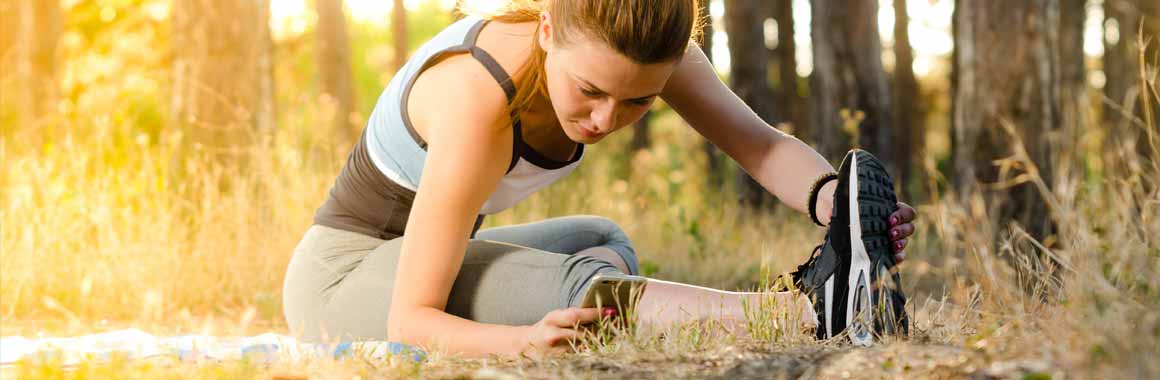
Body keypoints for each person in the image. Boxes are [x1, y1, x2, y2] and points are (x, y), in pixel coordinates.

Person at [282, 0, 917, 358]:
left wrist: (838, 205)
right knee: (583, 287)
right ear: (548, 27)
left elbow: (760, 146)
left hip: (416, 260)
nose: (606, 119)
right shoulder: (479, 99)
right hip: (340, 282)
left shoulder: (651, 52)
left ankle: (839, 288)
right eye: (590, 90)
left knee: (601, 238)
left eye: (638, 102)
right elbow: (410, 318)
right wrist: (519, 341)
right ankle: (805, 313)